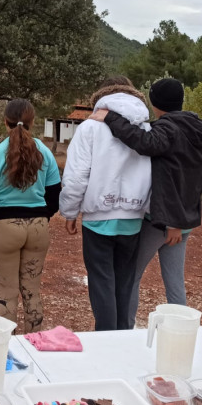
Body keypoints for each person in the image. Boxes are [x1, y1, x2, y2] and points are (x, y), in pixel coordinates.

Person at [90, 77, 202, 311]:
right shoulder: (196, 129)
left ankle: (125, 330)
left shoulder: (168, 129)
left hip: (164, 220)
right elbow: (197, 177)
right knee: (174, 282)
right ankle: (182, 332)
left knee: (130, 276)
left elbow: (144, 142)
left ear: (155, 102)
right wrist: (181, 218)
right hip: (184, 220)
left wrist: (110, 117)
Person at [59, 76, 153, 331]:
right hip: (133, 218)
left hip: (98, 219)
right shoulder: (145, 129)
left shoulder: (90, 128)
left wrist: (69, 212)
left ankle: (105, 337)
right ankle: (122, 335)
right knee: (124, 281)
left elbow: (77, 176)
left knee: (101, 280)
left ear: (100, 96)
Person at [0, 99, 61, 333]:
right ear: (33, 122)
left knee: (7, 295)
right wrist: (41, 218)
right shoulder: (45, 154)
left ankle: (9, 350)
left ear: (5, 122)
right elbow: (54, 197)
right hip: (38, 228)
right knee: (33, 292)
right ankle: (33, 345)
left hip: (4, 228)